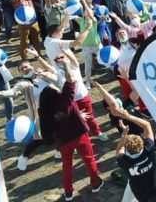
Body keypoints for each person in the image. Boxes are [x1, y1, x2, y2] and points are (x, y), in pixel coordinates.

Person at [53, 53, 104, 201]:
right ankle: (95, 183)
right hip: (78, 133)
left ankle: (68, 193)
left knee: (67, 165)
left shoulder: (44, 111)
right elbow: (70, 80)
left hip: (63, 140)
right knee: (89, 159)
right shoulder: (67, 98)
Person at [112, 102, 156, 202]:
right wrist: (127, 116)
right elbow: (147, 125)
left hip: (141, 194)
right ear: (142, 143)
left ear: (126, 148)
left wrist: (124, 134)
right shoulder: (149, 149)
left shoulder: (123, 161)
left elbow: (119, 150)